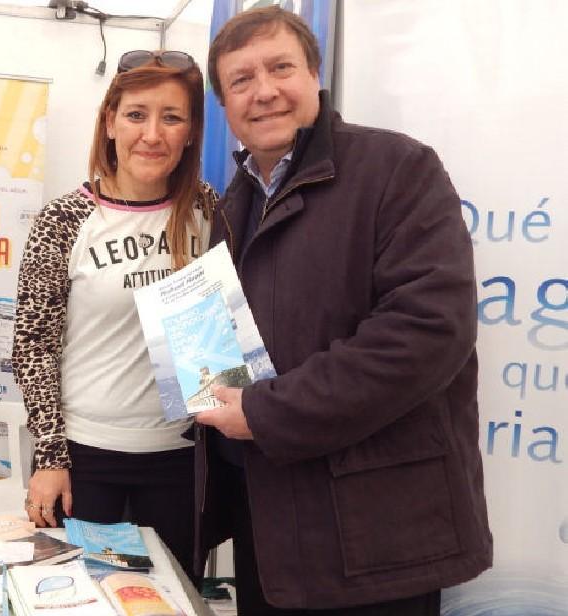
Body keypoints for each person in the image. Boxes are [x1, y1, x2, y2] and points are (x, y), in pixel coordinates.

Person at [193, 7, 493, 614]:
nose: (264, 91)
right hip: (270, 530)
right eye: (241, 79)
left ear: (315, 75)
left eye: (281, 68)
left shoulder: (398, 169)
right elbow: (231, 349)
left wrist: (264, 412)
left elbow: (426, 333)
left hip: (376, 539)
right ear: (225, 104)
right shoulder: (233, 202)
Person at [12, 50, 215, 580]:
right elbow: (33, 345)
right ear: (109, 122)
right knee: (81, 599)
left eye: (172, 117)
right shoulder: (65, 219)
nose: (152, 134)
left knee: (171, 601)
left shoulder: (209, 211)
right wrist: (50, 457)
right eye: (136, 115)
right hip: (85, 460)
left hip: (180, 458)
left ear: (191, 132)